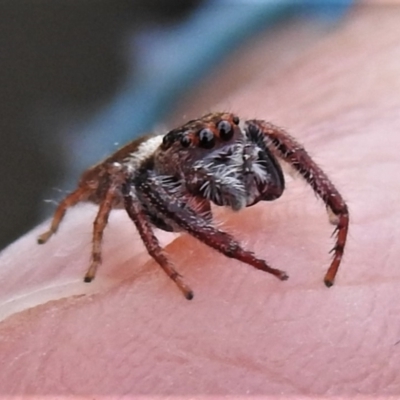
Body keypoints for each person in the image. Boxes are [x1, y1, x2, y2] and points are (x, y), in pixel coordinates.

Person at [1, 6, 399, 396]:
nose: (221, 153)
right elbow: (107, 189)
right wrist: (161, 261)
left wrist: (338, 210)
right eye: (204, 145)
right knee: (115, 177)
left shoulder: (246, 136)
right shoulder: (150, 177)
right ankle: (65, 229)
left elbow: (277, 147)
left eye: (226, 136)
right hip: (137, 165)